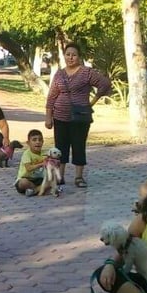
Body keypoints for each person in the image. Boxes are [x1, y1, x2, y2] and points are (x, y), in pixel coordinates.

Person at [44, 42, 112, 188]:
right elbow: (51, 96)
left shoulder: (86, 72)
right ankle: (60, 176)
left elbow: (105, 84)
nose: (71, 57)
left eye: (74, 55)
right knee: (60, 147)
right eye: (68, 54)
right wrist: (48, 116)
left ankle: (79, 177)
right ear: (64, 56)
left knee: (78, 146)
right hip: (60, 117)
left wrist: (92, 102)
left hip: (80, 117)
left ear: (79, 57)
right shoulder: (59, 74)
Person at [15, 130, 47, 196]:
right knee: (23, 183)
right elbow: (28, 168)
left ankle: (34, 191)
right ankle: (39, 190)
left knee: (52, 179)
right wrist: (41, 164)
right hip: (27, 178)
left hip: (39, 179)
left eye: (40, 140)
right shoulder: (26, 154)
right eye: (34, 140)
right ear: (28, 143)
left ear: (43, 142)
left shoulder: (45, 153)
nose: (37, 142)